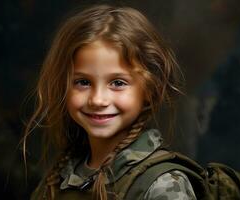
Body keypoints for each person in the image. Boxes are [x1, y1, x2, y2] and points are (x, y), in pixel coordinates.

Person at [24, 4, 196, 200]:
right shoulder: (58, 177)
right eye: (83, 82)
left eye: (118, 83)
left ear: (149, 89)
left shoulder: (162, 185)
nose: (98, 99)